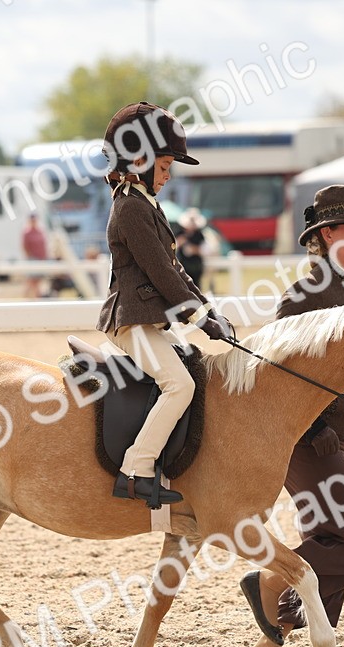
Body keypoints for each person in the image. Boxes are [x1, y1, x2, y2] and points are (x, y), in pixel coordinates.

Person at [237, 185, 344, 647]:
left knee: (330, 540)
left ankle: (274, 641)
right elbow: (276, 374)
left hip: (334, 441)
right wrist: (314, 430)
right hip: (307, 444)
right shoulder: (302, 298)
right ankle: (271, 580)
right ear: (327, 235)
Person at [97, 101, 232, 506]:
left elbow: (177, 270)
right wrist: (199, 319)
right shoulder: (130, 209)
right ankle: (135, 470)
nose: (169, 174)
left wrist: (209, 311)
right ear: (139, 159)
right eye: (165, 165)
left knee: (191, 369)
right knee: (179, 385)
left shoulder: (145, 204)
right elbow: (161, 273)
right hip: (131, 322)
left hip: (148, 321)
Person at [175, 207, 207, 290]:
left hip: (196, 265)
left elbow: (205, 250)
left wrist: (195, 249)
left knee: (196, 286)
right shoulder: (180, 234)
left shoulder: (199, 235)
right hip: (183, 264)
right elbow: (174, 247)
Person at [21, 214, 49, 298]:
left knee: (37, 279)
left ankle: (34, 296)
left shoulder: (40, 231)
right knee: (32, 279)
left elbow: (44, 245)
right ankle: (32, 296)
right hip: (33, 258)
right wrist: (29, 257)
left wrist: (45, 256)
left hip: (41, 258)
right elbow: (25, 246)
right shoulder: (27, 232)